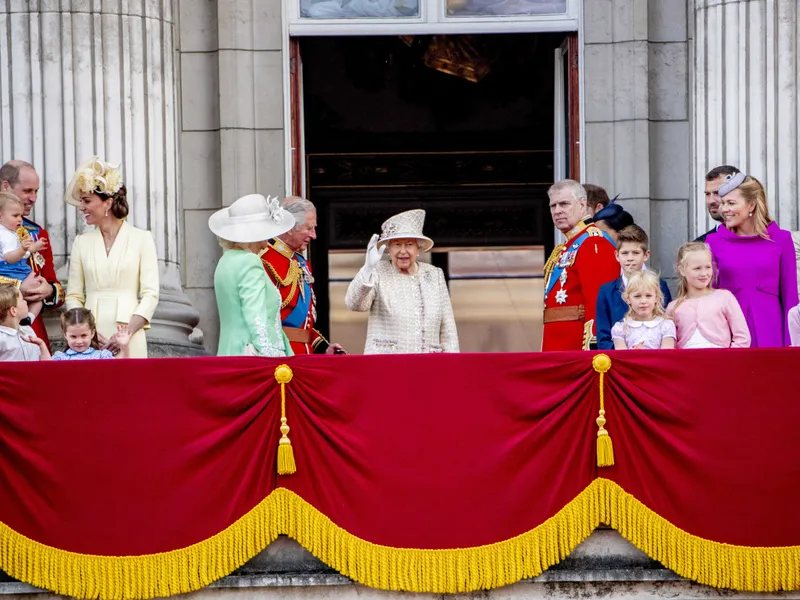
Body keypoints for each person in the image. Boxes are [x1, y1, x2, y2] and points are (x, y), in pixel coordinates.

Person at [64, 157, 160, 358]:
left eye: (87, 201)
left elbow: (150, 294)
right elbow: (73, 295)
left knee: (130, 388)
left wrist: (127, 333)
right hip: (89, 339)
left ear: (107, 202)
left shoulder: (142, 238)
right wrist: (87, 332)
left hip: (129, 336)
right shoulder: (81, 243)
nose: (81, 207)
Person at [345, 209, 458, 354]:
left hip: (429, 366)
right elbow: (355, 304)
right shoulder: (377, 272)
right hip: (388, 366)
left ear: (418, 247)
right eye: (397, 244)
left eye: (409, 244)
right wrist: (367, 268)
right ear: (388, 249)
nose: (403, 251)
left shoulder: (434, 274)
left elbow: (448, 330)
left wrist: (452, 367)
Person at [706, 173, 798, 347]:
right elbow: (708, 296)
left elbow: (790, 296)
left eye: (731, 203)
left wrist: (791, 345)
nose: (724, 209)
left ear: (751, 205)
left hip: (771, 331)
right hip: (729, 334)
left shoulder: (782, 240)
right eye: (723, 203)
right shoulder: (713, 242)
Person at [210, 194, 295, 357]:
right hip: (251, 355)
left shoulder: (225, 261)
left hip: (231, 351)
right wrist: (270, 358)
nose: (268, 238)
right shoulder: (250, 261)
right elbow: (255, 315)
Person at [260, 197, 344, 355]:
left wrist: (323, 347)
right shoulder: (265, 259)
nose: (314, 235)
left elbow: (304, 324)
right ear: (290, 227)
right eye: (309, 228)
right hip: (280, 354)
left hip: (304, 355)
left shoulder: (301, 262)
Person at [542, 180, 619, 351]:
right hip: (558, 343)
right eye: (553, 206)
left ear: (582, 204)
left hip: (576, 346)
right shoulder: (570, 244)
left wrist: (594, 345)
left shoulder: (593, 242)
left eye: (564, 204)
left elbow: (598, 301)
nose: (557, 211)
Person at [0, 160, 65, 348]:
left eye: (36, 191)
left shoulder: (36, 233)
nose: (34, 198)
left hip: (29, 333)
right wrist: (18, 287)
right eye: (28, 191)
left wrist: (49, 291)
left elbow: (57, 288)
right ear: (6, 186)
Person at [596, 225, 672, 350]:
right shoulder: (606, 291)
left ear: (646, 255)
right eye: (625, 253)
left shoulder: (660, 286)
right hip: (619, 362)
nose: (630, 258)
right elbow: (603, 337)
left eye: (636, 253)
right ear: (616, 255)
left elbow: (665, 322)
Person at [666, 242, 750, 349]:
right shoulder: (673, 308)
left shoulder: (724, 297)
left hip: (720, 363)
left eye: (708, 267)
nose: (704, 273)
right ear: (682, 270)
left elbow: (743, 338)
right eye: (697, 268)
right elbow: (668, 344)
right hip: (686, 363)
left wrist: (728, 360)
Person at [0, 192, 47, 320]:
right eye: (15, 215)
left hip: (19, 269)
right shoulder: (4, 235)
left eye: (20, 215)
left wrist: (34, 247)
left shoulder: (15, 232)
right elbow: (10, 257)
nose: (20, 219)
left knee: (36, 298)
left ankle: (29, 319)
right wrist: (20, 285)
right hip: (10, 272)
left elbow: (24, 254)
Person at [611, 270, 676, 350]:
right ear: (628, 299)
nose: (643, 301)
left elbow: (667, 356)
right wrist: (634, 354)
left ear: (656, 298)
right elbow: (621, 358)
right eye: (637, 296)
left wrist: (645, 354)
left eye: (648, 296)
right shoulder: (621, 328)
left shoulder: (666, 326)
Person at [0, 283, 46, 361]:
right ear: (13, 310)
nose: (25, 302)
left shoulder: (28, 330)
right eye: (22, 299)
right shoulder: (2, 338)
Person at [695, 165, 739, 243]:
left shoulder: (765, 238)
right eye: (707, 194)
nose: (710, 201)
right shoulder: (699, 247)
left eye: (717, 193)